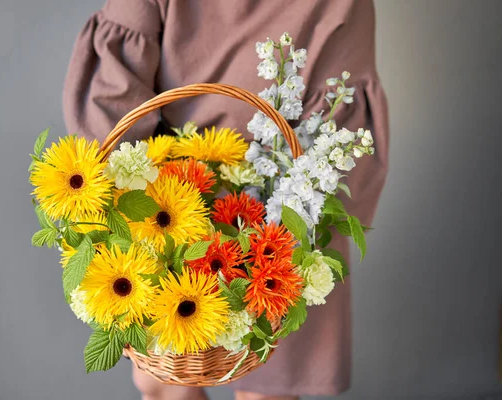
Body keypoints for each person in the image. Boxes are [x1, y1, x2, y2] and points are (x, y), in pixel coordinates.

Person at [62, 0, 389, 399]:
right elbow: (339, 135)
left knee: (231, 382)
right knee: (190, 382)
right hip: (182, 204)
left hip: (260, 211)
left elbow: (111, 105)